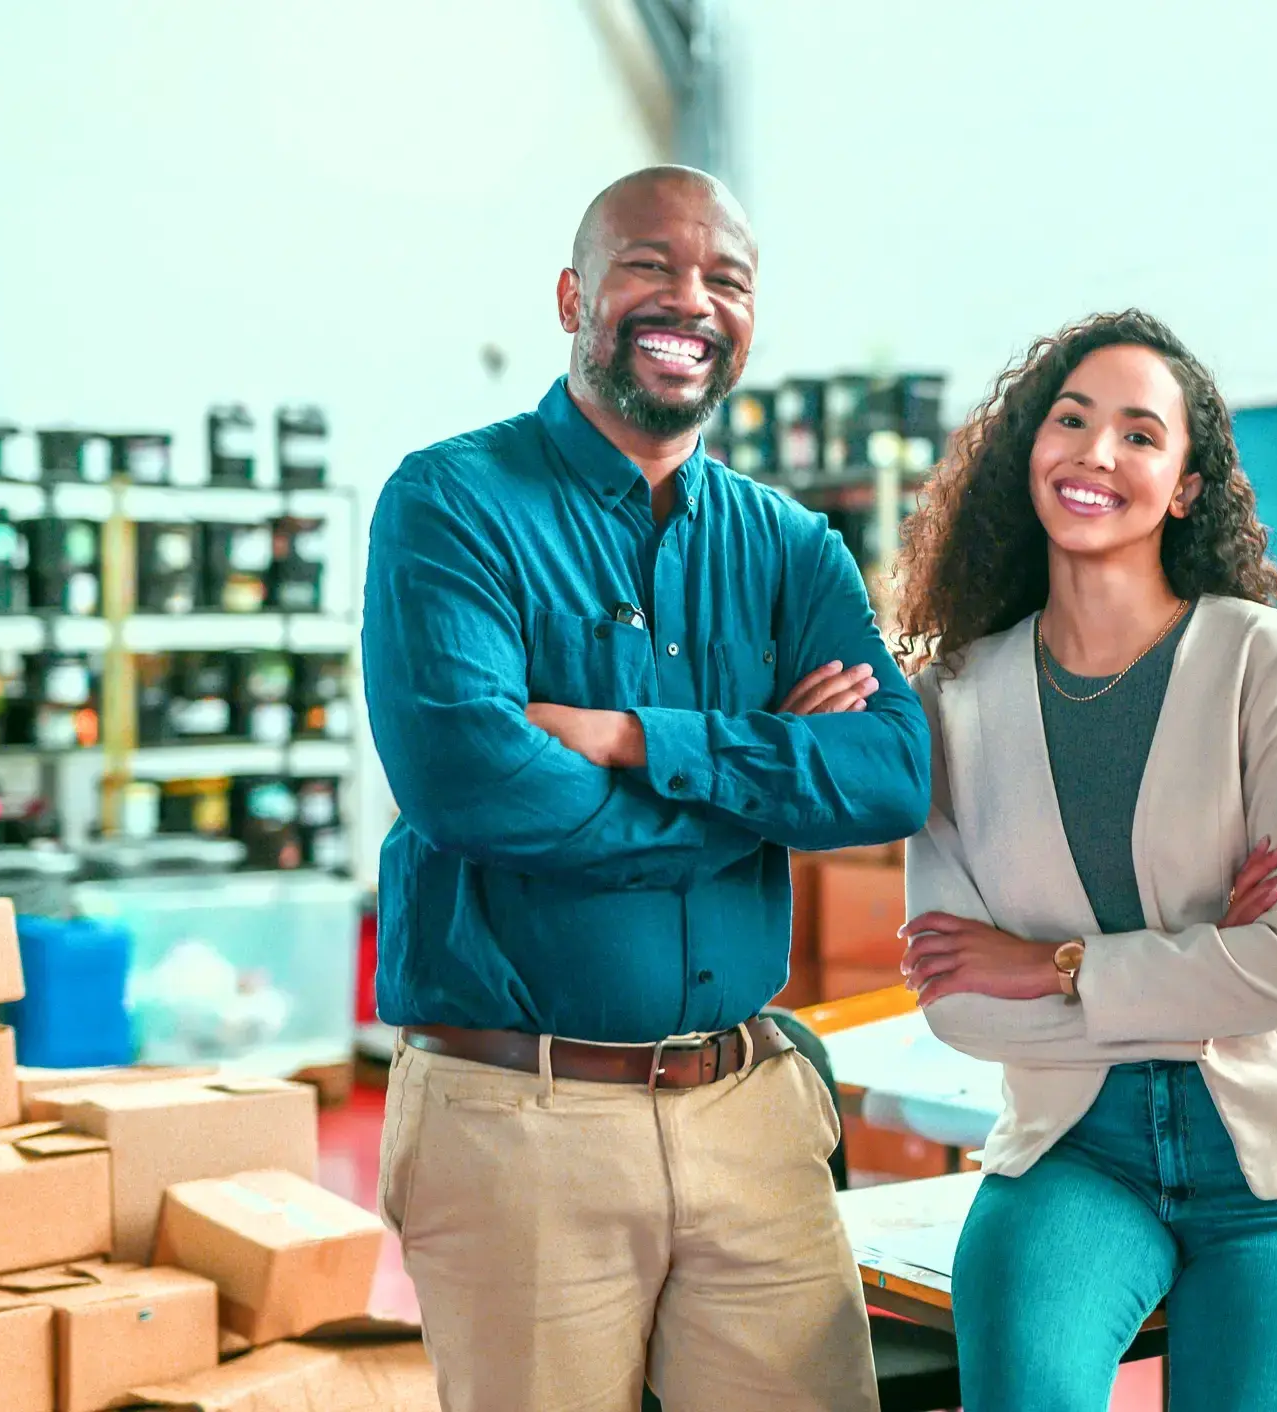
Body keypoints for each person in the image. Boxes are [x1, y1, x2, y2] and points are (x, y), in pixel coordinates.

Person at [360, 165, 926, 1412]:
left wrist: (631, 738)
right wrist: (760, 770)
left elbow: (891, 772)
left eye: (725, 277)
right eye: (649, 266)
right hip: (520, 1117)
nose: (690, 299)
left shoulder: (788, 545)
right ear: (575, 293)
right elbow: (474, 788)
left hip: (750, 1118)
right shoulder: (452, 504)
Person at [892, 309, 1277, 1411]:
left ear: (1186, 486)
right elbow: (962, 1005)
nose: (1095, 454)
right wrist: (1209, 960)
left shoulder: (1273, 663)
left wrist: (1055, 964)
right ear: (1028, 450)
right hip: (1074, 1151)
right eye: (1069, 419)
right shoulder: (953, 699)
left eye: (1139, 433)